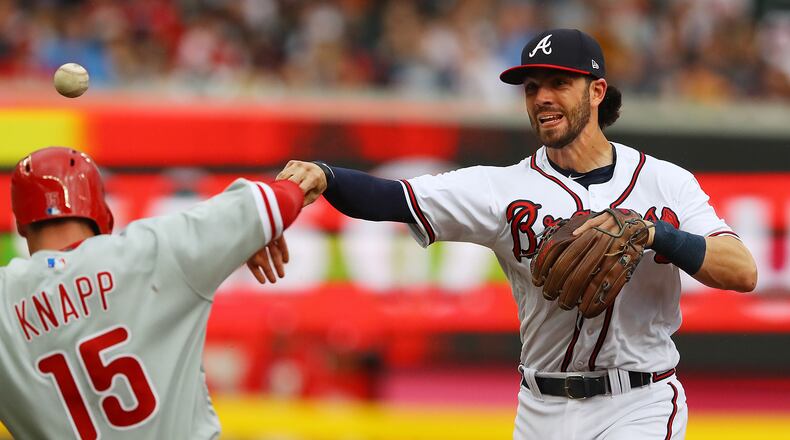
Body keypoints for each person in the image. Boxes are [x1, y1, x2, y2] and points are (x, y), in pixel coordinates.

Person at [265, 29, 758, 439]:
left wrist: (654, 235)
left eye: (559, 83)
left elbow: (741, 271)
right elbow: (393, 197)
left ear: (596, 91)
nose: (542, 97)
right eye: (531, 87)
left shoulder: (664, 181)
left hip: (639, 401)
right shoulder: (501, 188)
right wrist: (327, 175)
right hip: (540, 409)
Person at [0, 146, 304, 439]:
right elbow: (274, 204)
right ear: (99, 210)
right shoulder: (149, 250)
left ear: (22, 225)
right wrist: (315, 176)